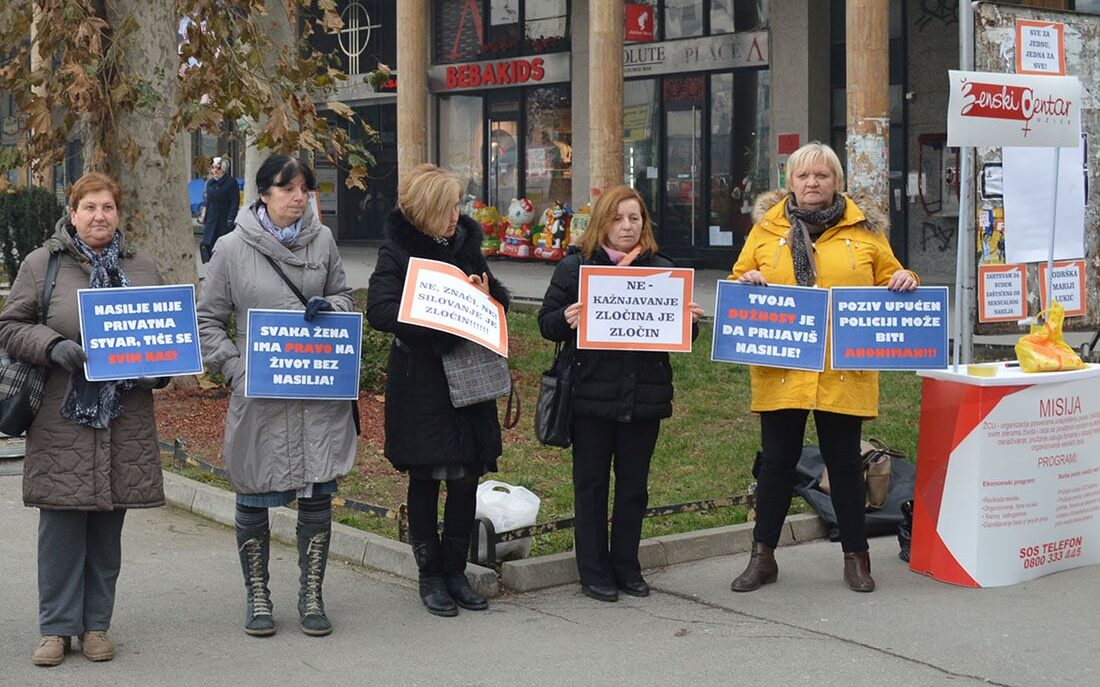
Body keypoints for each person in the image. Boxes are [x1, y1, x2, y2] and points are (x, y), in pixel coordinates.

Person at [727, 142, 919, 594]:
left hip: (842, 369)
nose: (812, 183)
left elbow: (892, 275)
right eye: (803, 176)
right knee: (776, 464)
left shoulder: (865, 231)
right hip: (783, 368)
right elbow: (739, 278)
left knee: (845, 465)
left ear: (838, 182)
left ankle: (857, 558)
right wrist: (747, 280)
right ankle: (763, 557)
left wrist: (905, 278)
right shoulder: (766, 230)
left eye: (822, 176)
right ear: (789, 183)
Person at [0, 172, 167, 666]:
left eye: (108, 208)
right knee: (60, 526)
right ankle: (55, 629)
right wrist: (54, 346)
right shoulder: (43, 264)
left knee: (106, 528)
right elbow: (11, 325)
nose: (99, 216)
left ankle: (96, 626)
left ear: (119, 215)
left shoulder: (142, 267)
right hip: (61, 416)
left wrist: (156, 373)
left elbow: (165, 339)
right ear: (72, 213)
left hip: (124, 419)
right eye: (89, 207)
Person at [197, 155, 356, 637]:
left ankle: (312, 595)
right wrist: (236, 369)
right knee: (253, 493)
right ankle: (258, 595)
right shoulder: (230, 248)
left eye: (305, 189)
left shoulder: (323, 240)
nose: (299, 197)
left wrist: (332, 308)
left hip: (317, 394)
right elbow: (207, 321)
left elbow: (346, 297)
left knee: (317, 494)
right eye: (288, 189)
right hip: (259, 398)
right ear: (263, 193)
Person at [538, 185, 702, 603]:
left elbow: (680, 335)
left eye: (635, 218)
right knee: (590, 485)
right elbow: (546, 323)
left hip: (644, 397)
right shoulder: (575, 269)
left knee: (634, 486)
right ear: (602, 223)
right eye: (618, 218)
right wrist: (565, 318)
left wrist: (689, 321)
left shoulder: (663, 270)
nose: (627, 227)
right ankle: (593, 571)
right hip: (590, 396)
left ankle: (627, 566)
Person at [366, 163, 510, 617]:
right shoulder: (397, 251)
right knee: (427, 478)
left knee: (467, 478)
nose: (456, 215)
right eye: (448, 207)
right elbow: (380, 310)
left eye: (457, 206)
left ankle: (456, 571)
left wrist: (485, 294)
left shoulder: (466, 244)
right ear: (426, 210)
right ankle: (430, 575)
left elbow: (499, 299)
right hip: (423, 384)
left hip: (468, 382)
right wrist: (437, 322)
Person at [200, 156, 240, 263]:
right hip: (211, 220)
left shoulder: (231, 183)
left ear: (223, 168)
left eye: (218, 168)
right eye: (213, 168)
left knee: (224, 248)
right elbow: (208, 202)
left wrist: (231, 219)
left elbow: (234, 202)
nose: (215, 171)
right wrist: (205, 217)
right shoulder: (210, 183)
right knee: (207, 245)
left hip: (224, 220)